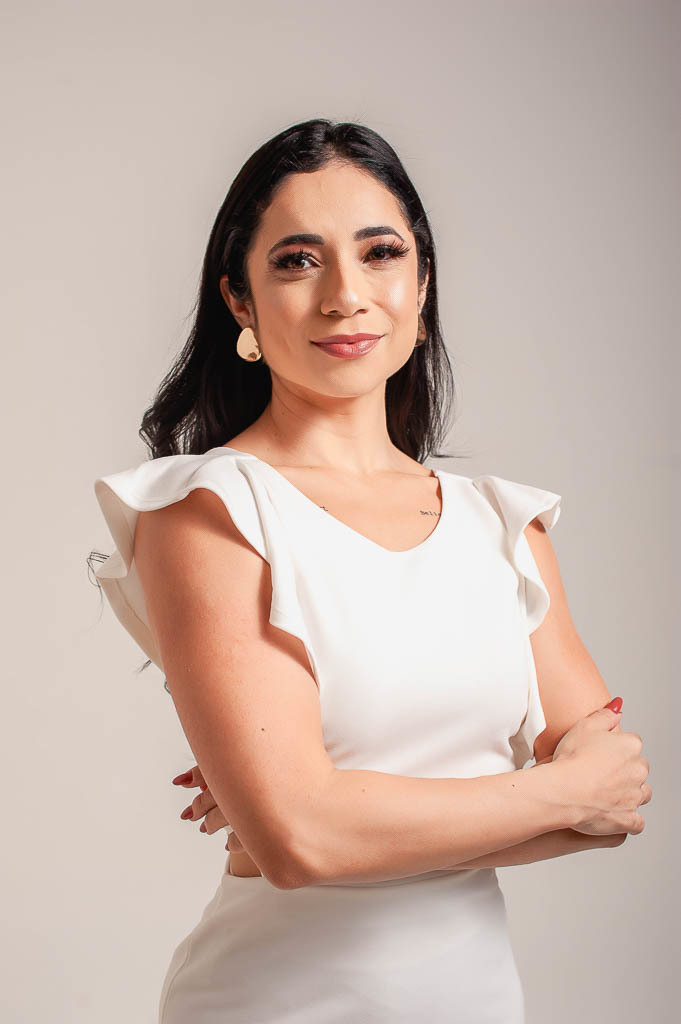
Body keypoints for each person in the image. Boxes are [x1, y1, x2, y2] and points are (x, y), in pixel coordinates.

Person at [90, 119, 650, 1023]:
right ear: (240, 300)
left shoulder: (501, 524)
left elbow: (614, 803)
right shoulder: (211, 509)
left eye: (380, 253)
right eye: (296, 262)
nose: (345, 296)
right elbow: (300, 841)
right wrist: (554, 791)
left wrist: (342, 822)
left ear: (420, 284)